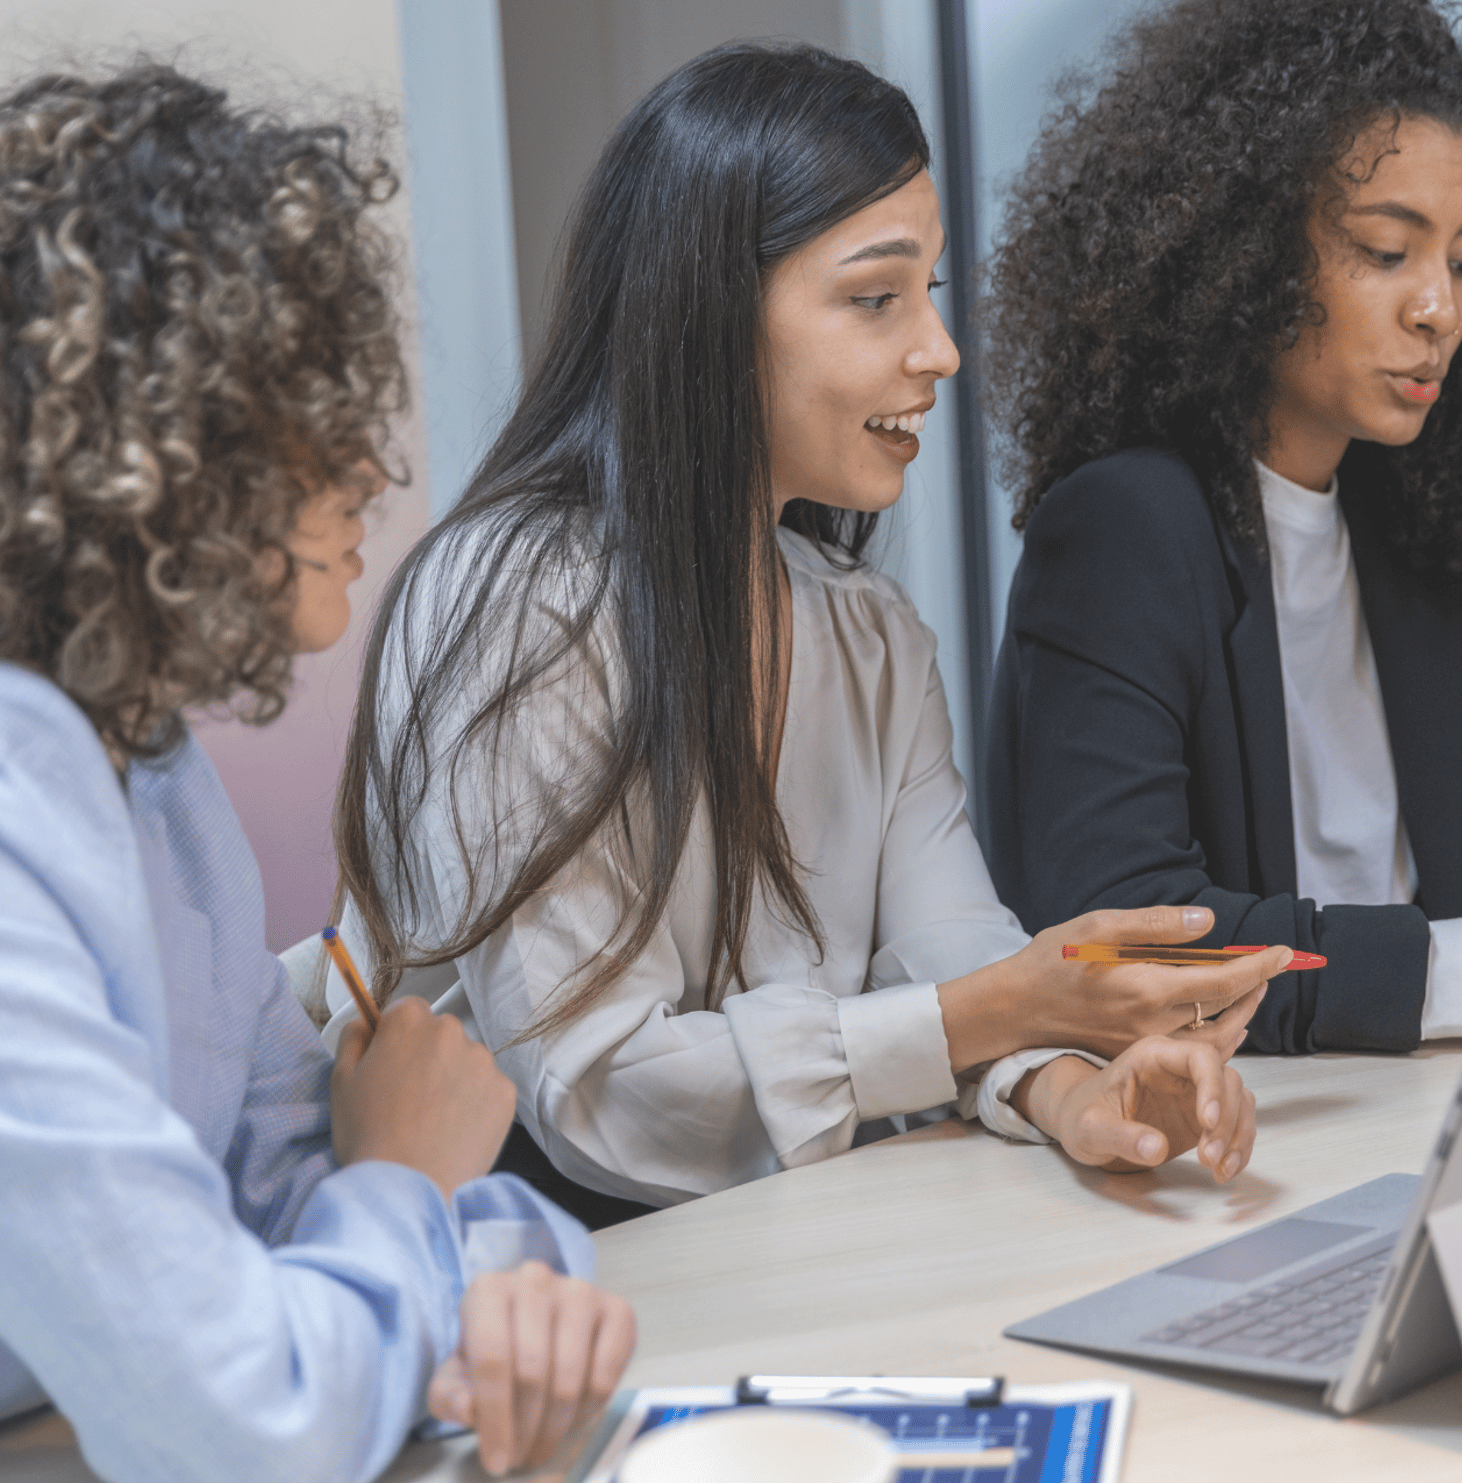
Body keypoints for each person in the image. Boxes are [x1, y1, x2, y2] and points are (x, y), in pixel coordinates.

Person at [333, 43, 1289, 1222]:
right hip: (540, 1273)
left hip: (785, 1237)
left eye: (929, 293)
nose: (939, 351)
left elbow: (953, 943)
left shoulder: (870, 632)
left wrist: (1070, 1084)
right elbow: (598, 1094)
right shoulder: (515, 603)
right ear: (711, 316)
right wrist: (1011, 1011)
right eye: (875, 297)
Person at [0, 66, 630, 1480]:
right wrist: (405, 1174)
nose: (372, 470)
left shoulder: (140, 758)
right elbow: (241, 1417)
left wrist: (513, 1281)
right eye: (303, 410)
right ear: (134, 449)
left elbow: (289, 1197)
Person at [979, 0, 1462, 1055]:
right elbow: (1131, 939)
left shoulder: (1419, 514)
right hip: (1246, 1132)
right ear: (1247, 250)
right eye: (1386, 250)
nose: (1438, 306)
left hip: (1439, 1092)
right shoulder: (1126, 529)